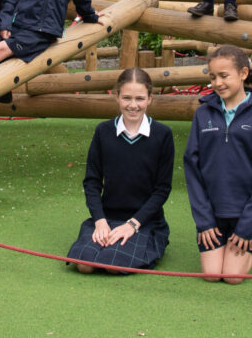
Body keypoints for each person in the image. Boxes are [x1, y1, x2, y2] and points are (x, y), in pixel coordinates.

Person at [183, 45, 252, 284]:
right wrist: (204, 222)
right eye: (212, 77)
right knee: (213, 275)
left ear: (243, 73)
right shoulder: (202, 115)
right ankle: (222, 247)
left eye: (224, 76)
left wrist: (247, 226)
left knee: (233, 278)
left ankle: (249, 245)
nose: (217, 82)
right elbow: (192, 168)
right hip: (212, 218)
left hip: (244, 216)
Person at [67, 67, 175, 273]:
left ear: (150, 98)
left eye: (140, 99)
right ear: (116, 97)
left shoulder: (163, 135)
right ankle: (101, 233)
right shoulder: (103, 131)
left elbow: (162, 190)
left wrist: (132, 224)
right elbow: (92, 182)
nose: (133, 105)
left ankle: (148, 243)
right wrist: (99, 221)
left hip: (143, 221)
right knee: (84, 265)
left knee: (112, 265)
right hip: (107, 217)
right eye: (126, 98)